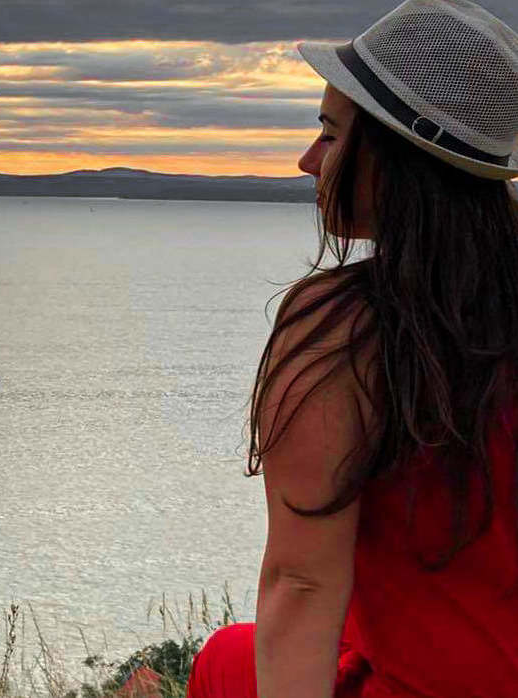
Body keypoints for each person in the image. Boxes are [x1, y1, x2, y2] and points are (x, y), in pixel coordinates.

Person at [185, 0, 518, 696]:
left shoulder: (345, 330)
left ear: (396, 159)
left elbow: (301, 581)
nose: (308, 161)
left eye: (330, 135)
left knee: (224, 661)